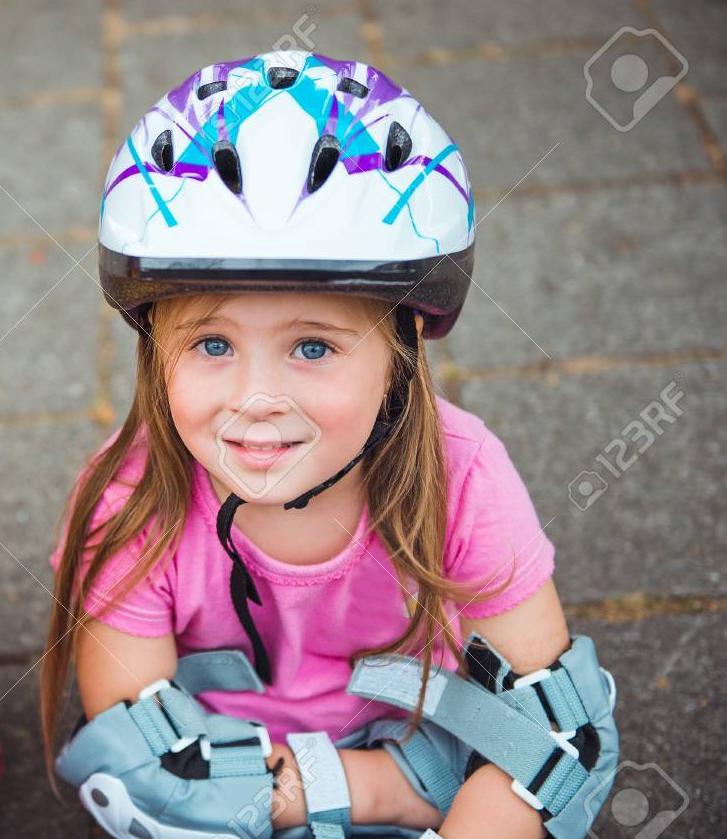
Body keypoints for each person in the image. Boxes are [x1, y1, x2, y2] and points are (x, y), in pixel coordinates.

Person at [43, 50, 618, 839]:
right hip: (232, 778)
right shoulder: (130, 489)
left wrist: (392, 786)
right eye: (211, 345)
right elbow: (140, 758)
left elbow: (561, 744)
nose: (256, 399)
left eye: (312, 347)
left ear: (404, 347)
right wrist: (335, 790)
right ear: (153, 345)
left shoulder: (465, 474)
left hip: (421, 744)